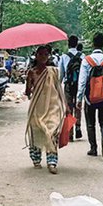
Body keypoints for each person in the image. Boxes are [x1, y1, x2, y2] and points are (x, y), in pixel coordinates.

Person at [25, 45, 66, 174]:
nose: (43, 57)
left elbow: (59, 89)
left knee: (52, 133)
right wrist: (29, 81)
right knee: (36, 133)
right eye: (40, 54)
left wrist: (66, 105)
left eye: (45, 54)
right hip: (37, 108)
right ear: (36, 56)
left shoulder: (53, 72)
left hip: (52, 108)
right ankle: (36, 160)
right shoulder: (31, 72)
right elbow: (28, 93)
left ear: (48, 56)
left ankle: (52, 162)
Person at [78, 33, 103, 160]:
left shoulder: (87, 60)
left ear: (93, 43)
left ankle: (93, 148)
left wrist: (79, 98)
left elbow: (82, 81)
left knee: (91, 123)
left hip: (90, 98)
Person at [58, 35, 84, 140]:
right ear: (77, 44)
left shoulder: (64, 57)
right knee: (78, 106)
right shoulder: (82, 56)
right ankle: (78, 127)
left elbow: (61, 74)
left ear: (68, 44)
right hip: (78, 85)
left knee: (68, 108)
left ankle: (70, 133)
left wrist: (58, 86)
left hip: (68, 85)